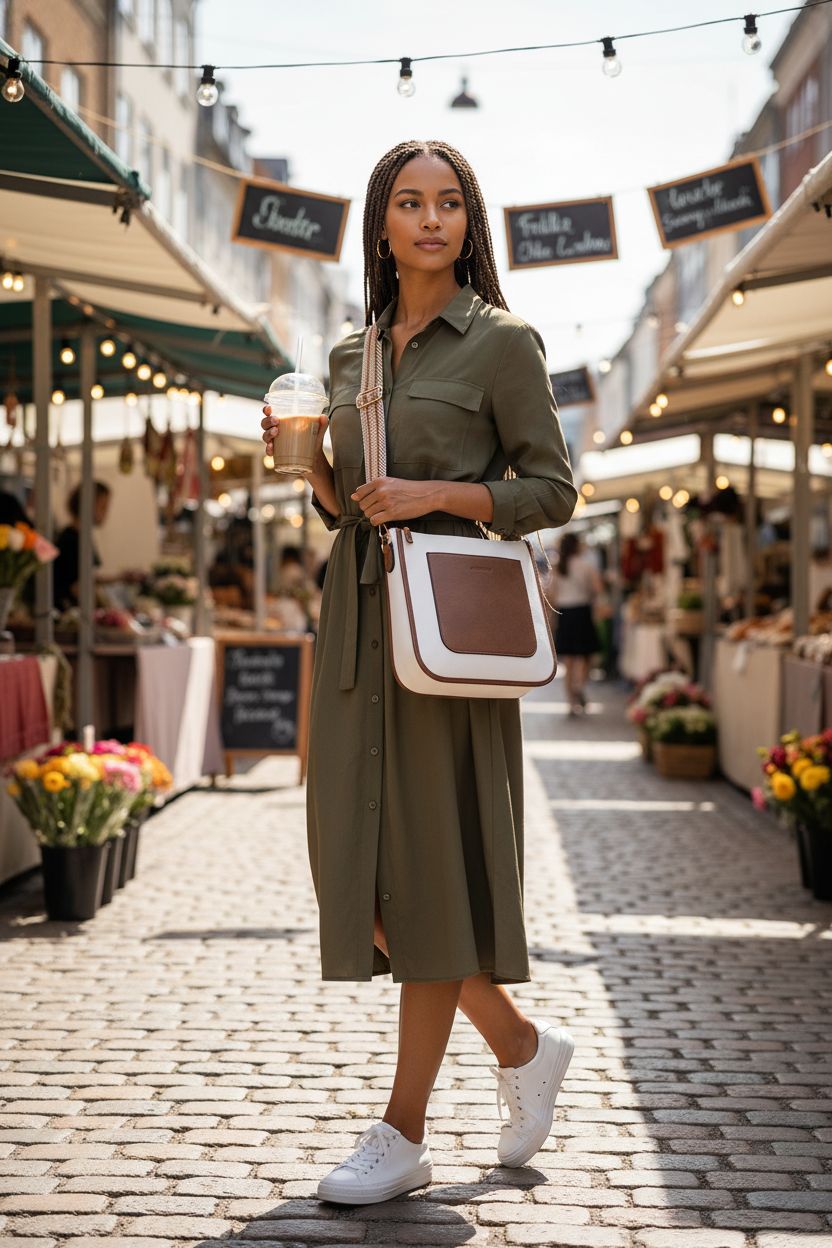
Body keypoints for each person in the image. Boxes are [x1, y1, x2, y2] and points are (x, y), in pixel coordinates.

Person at [261, 139, 578, 1206]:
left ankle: (402, 1132)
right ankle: (520, 1043)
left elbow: (552, 490)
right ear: (383, 224)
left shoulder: (502, 343)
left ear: (468, 222)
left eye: (449, 203)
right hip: (356, 622)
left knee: (430, 870)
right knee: (355, 866)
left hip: (446, 630)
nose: (431, 219)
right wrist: (311, 465)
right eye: (410, 202)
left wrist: (437, 495)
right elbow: (347, 503)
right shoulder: (348, 355)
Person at [550, 532, 602, 715]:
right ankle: (579, 686)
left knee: (569, 661)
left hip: (564, 613)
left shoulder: (557, 566)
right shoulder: (585, 566)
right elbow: (597, 588)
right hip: (582, 611)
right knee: (585, 655)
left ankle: (570, 702)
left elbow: (552, 594)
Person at [52, 481, 111, 611]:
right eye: (103, 507)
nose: (106, 513)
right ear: (87, 505)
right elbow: (77, 586)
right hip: (67, 612)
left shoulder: (82, 537)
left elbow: (87, 577)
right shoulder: (71, 540)